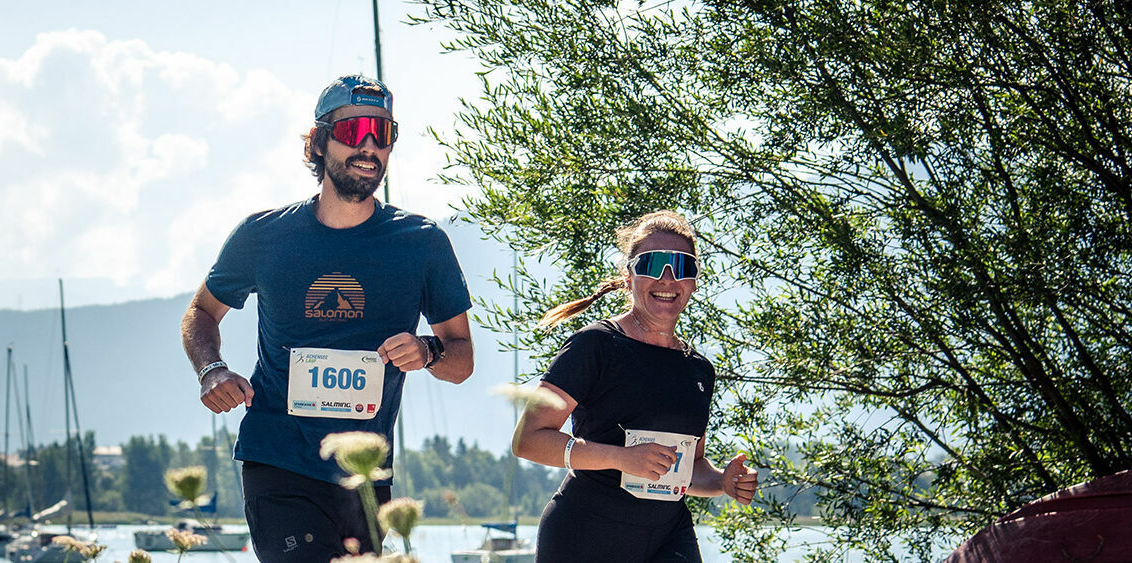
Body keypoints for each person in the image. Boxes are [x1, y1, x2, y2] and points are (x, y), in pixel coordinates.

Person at [181, 74, 475, 562]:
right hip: (277, 458)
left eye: (383, 134)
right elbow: (201, 312)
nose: (368, 146)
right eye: (354, 129)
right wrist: (211, 368)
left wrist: (428, 351)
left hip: (364, 472)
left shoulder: (421, 242)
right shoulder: (264, 235)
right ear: (318, 141)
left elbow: (461, 360)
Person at [510, 210, 759, 562]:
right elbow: (528, 440)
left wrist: (723, 482)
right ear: (628, 276)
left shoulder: (699, 371)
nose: (667, 278)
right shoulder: (595, 345)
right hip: (584, 536)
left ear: (694, 282)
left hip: (668, 538)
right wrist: (621, 459)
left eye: (682, 266)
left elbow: (689, 469)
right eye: (653, 264)